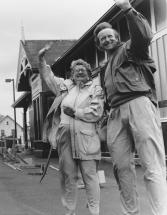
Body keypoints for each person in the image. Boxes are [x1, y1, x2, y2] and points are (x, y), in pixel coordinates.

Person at [93, 0, 167, 214]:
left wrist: (127, 9)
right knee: (121, 167)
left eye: (110, 36)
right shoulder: (104, 69)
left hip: (139, 103)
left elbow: (143, 35)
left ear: (117, 37)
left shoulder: (131, 49)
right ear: (99, 45)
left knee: (151, 163)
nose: (107, 39)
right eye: (102, 39)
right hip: (115, 113)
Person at [38, 47, 104, 215]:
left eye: (83, 70)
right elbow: (49, 77)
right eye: (76, 70)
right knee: (68, 177)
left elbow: (96, 112)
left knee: (90, 178)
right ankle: (69, 212)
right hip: (65, 139)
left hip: (87, 139)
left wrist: (75, 113)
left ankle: (94, 212)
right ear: (71, 74)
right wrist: (41, 60)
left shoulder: (95, 89)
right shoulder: (65, 87)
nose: (79, 72)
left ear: (89, 73)